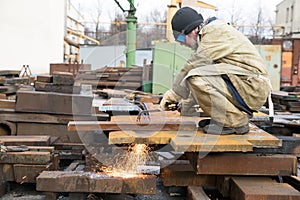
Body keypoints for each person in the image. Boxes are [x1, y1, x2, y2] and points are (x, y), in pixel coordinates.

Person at [160, 7, 271, 135]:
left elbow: (192, 68)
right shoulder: (210, 37)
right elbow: (205, 83)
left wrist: (173, 93)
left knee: (194, 75)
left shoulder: (214, 32)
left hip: (253, 87)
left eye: (181, 39)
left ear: (194, 30)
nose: (181, 44)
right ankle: (226, 120)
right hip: (244, 84)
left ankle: (234, 122)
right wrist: (185, 106)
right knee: (196, 76)